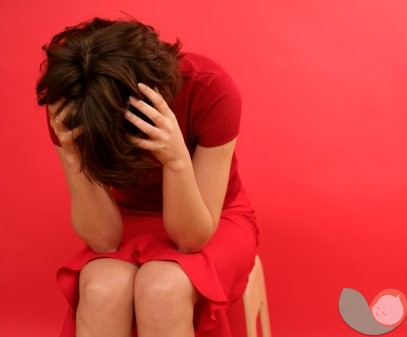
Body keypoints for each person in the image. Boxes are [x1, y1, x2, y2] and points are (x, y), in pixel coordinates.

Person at [36, 17, 258, 337]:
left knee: (162, 289)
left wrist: (176, 158)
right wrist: (73, 155)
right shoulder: (75, 102)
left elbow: (191, 239)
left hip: (213, 215)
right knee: (101, 288)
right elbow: (104, 241)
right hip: (125, 216)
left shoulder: (210, 87)